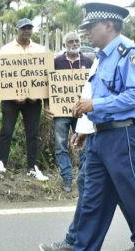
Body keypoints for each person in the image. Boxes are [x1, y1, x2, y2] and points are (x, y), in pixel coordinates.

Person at [39, 61, 135, 251]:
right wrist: (85, 129)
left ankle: (74, 240)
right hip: (97, 132)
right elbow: (91, 93)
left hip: (118, 135)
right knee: (107, 188)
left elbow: (123, 98)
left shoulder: (123, 54)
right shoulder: (102, 57)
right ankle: (75, 241)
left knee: (115, 189)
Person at [72, 2, 135, 251]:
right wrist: (86, 126)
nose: (86, 32)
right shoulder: (100, 57)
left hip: (122, 136)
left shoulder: (127, 53)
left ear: (109, 25)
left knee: (131, 195)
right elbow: (94, 102)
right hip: (99, 138)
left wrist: (94, 105)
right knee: (92, 202)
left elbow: (133, 96)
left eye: (91, 27)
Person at [0, 18, 49, 181]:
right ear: (17, 30)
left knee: (32, 133)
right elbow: (1, 75)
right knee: (6, 131)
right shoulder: (6, 49)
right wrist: (13, 95)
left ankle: (32, 167)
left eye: (29, 28)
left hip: (33, 101)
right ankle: (1, 164)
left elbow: (44, 75)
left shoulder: (40, 49)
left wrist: (38, 95)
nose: (27, 31)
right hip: (11, 100)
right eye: (24, 28)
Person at [49, 32, 93, 192]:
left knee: (84, 145)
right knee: (61, 146)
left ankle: (83, 176)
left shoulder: (88, 62)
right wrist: (48, 105)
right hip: (61, 112)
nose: (74, 44)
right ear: (64, 44)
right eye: (70, 42)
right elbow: (48, 86)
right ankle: (66, 178)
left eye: (76, 41)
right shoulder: (56, 62)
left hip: (82, 113)